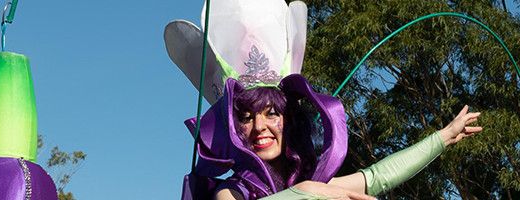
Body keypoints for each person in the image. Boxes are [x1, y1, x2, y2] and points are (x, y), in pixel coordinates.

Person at [164, 0, 485, 199]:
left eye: (271, 113)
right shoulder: (230, 193)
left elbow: (376, 178)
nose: (260, 126)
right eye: (246, 117)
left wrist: (444, 137)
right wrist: (307, 193)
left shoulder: (312, 183)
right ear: (234, 128)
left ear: (289, 119)